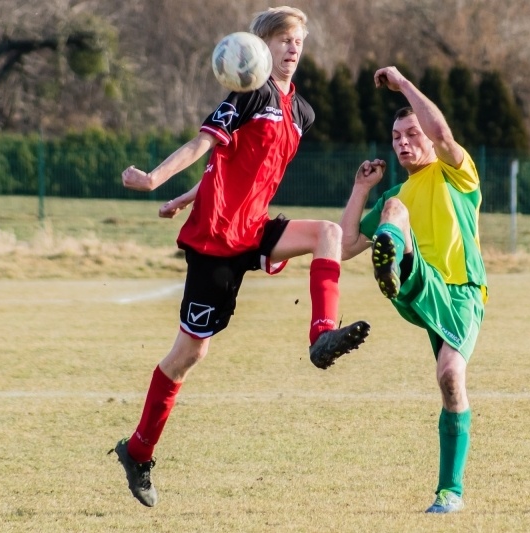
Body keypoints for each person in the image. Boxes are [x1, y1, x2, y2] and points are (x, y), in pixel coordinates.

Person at [110, 6, 370, 508]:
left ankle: (322, 336)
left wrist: (188, 194)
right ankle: (138, 451)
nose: (292, 48)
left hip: (253, 229)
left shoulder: (302, 113)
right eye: (282, 40)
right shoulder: (250, 95)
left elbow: (245, 167)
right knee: (189, 354)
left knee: (329, 233)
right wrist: (154, 180)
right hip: (215, 242)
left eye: (298, 40)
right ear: (259, 48)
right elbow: (206, 144)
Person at [339, 66, 487, 514]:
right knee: (394, 206)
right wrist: (362, 188)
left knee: (449, 378)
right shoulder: (396, 193)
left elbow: (442, 133)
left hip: (461, 294)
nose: (402, 142)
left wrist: (403, 84)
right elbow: (345, 246)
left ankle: (450, 492)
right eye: (395, 136)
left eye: (410, 133)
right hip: (419, 282)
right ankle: (395, 261)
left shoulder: (455, 175)